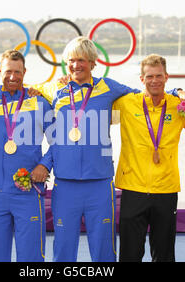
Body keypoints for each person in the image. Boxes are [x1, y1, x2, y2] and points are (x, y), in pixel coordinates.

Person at [46, 36, 144, 262]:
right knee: (63, 247)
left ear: (92, 63)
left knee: (103, 249)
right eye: (71, 60)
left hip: (99, 184)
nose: (76, 65)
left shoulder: (108, 87)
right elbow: (22, 90)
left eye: (81, 60)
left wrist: (177, 93)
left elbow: (143, 97)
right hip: (65, 182)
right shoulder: (55, 89)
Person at [112, 54, 185, 262]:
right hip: (133, 188)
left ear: (167, 77)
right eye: (149, 77)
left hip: (166, 189)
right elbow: (95, 104)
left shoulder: (178, 106)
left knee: (164, 253)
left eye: (159, 76)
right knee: (130, 253)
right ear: (141, 79)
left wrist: (180, 92)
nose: (154, 81)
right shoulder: (127, 103)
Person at [0, 50, 54, 261]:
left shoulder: (39, 101)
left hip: (28, 191)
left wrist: (45, 165)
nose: (13, 77)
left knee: (31, 259)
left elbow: (59, 141)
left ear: (25, 72)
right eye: (8, 71)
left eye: (18, 72)